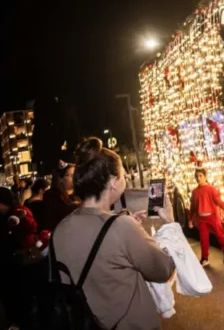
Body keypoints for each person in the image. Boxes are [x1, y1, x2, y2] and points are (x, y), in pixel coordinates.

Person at [52, 137, 175, 330]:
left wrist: (123, 225)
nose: (125, 179)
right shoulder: (121, 227)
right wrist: (169, 223)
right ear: (112, 182)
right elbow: (163, 270)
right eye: (123, 175)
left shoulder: (60, 230)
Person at [0, 186, 45, 329]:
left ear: (2, 203)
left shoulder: (19, 212)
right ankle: (14, 320)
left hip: (20, 261)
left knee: (22, 295)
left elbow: (31, 228)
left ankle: (23, 321)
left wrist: (20, 220)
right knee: (7, 295)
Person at [189, 168, 224, 265]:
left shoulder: (211, 189)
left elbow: (218, 201)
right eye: (197, 176)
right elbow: (193, 207)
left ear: (205, 177)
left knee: (220, 235)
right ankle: (204, 258)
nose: (198, 178)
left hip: (212, 217)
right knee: (204, 239)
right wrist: (190, 219)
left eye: (200, 176)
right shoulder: (195, 192)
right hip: (202, 219)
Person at [42, 161, 80, 231]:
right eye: (70, 175)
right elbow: (50, 223)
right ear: (60, 179)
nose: (74, 178)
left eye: (75, 175)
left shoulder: (81, 193)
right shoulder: (51, 195)